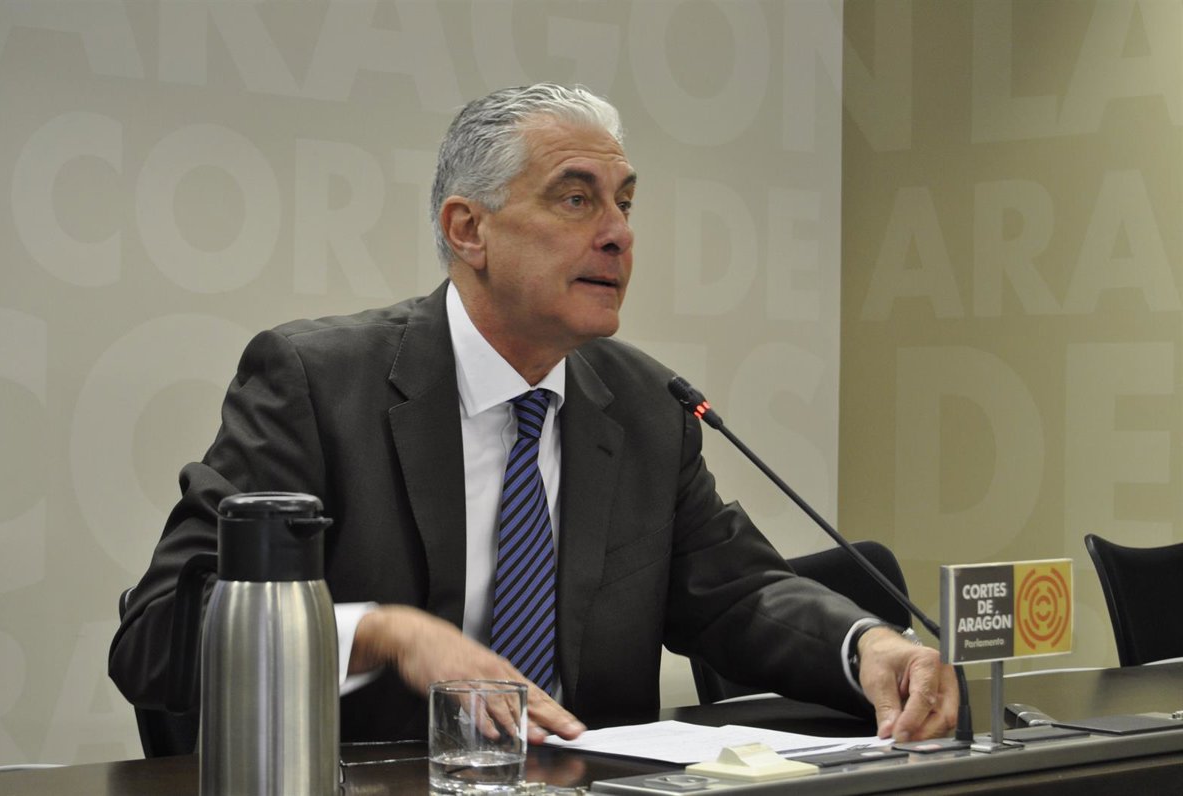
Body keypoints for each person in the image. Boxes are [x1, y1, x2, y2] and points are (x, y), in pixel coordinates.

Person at [109, 83, 957, 746]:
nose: (619, 233)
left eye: (625, 202)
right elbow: (156, 636)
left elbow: (737, 594)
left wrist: (869, 646)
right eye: (577, 199)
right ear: (467, 230)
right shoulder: (317, 383)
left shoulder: (644, 404)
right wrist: (382, 634)